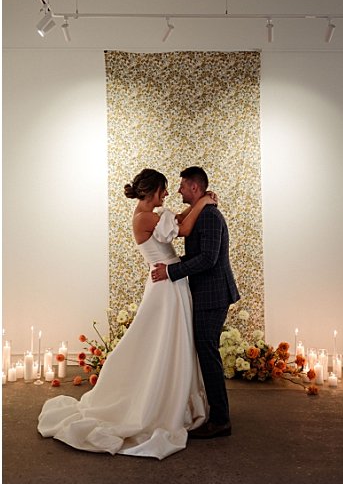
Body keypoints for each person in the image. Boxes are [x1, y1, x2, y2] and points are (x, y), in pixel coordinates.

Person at [38, 168, 212, 459]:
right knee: (162, 341)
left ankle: (170, 393)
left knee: (169, 342)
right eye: (164, 190)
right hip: (165, 287)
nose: (168, 194)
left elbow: (176, 221)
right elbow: (182, 229)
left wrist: (194, 206)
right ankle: (156, 399)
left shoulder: (151, 215)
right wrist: (203, 203)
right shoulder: (145, 217)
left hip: (170, 282)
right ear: (153, 191)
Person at [151, 166, 241, 439]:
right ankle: (215, 412)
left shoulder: (210, 216)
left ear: (194, 187)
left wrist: (170, 271)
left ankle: (221, 420)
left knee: (207, 352)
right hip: (205, 293)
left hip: (214, 295)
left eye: (181, 185)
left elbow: (208, 259)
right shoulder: (201, 211)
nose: (177, 190)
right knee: (205, 351)